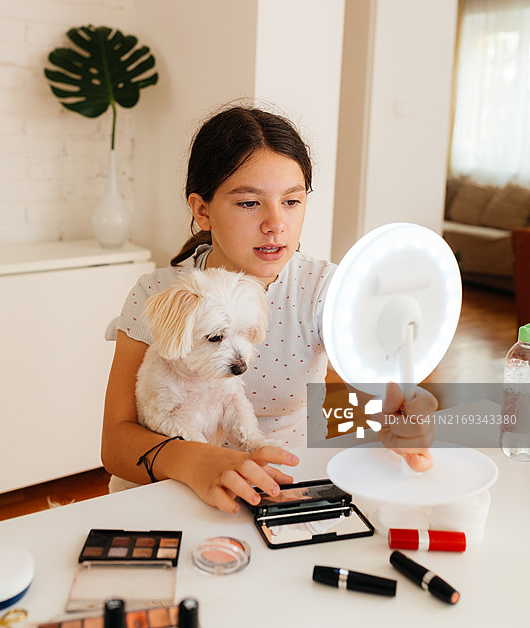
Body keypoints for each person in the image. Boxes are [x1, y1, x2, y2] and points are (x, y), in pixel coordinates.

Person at [101, 104, 437, 514]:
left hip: (279, 490)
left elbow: (344, 411)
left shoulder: (323, 290)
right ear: (201, 209)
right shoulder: (158, 295)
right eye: (249, 203)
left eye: (292, 201)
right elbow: (116, 444)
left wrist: (389, 421)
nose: (276, 224)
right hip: (169, 494)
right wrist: (196, 460)